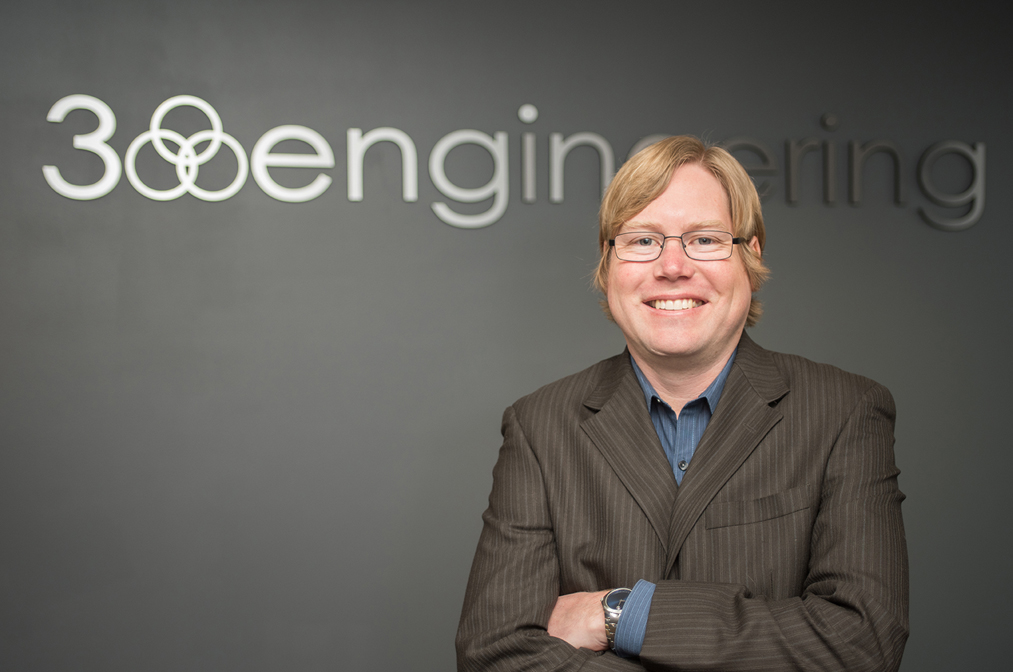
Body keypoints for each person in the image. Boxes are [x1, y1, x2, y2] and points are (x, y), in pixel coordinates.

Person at [456, 136, 909, 672]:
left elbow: (860, 643)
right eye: (643, 240)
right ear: (608, 264)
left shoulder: (845, 411)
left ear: (751, 255)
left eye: (705, 239)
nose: (672, 266)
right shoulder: (539, 426)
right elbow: (496, 655)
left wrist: (620, 613)